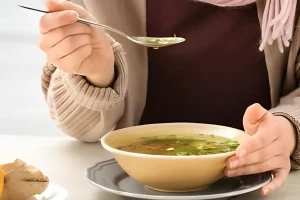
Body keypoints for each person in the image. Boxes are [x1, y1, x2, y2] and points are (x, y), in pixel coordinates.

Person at [39, 0, 300, 196]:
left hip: (264, 188)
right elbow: (80, 128)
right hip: (130, 187)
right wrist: (95, 74)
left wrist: (290, 129)